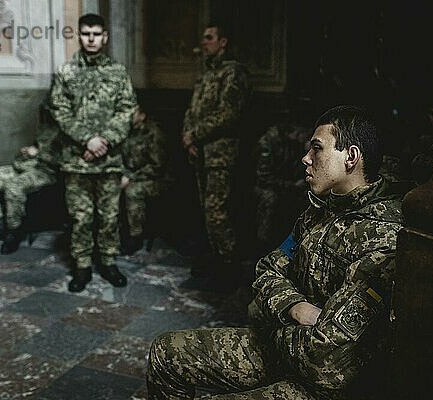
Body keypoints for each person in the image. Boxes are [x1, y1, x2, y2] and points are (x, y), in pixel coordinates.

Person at [147, 105, 406, 399]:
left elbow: (326, 364)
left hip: (323, 386)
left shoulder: (383, 236)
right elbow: (268, 268)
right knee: (164, 354)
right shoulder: (320, 211)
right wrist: (296, 308)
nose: (305, 158)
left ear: (351, 157)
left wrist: (274, 322)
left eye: (317, 149)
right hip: (288, 348)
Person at [49, 13, 137, 293]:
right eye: (86, 33)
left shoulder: (118, 72)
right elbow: (60, 112)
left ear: (105, 37)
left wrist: (104, 142)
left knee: (109, 217)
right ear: (79, 35)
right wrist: (87, 140)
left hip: (109, 160)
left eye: (96, 34)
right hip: (77, 161)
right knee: (81, 217)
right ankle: (83, 265)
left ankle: (109, 262)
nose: (91, 38)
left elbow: (127, 110)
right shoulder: (66, 71)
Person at [181, 23, 250, 286]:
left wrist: (194, 134)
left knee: (217, 211)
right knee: (206, 210)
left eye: (210, 38)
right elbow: (192, 110)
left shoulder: (233, 73)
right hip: (200, 154)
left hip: (221, 156)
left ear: (223, 42)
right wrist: (187, 136)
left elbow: (229, 115)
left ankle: (228, 266)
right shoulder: (206, 75)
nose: (204, 42)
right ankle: (216, 260)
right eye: (203, 38)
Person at [0, 125, 59, 254]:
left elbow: (70, 162)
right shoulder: (49, 123)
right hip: (25, 166)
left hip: (47, 173)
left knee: (14, 187)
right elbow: (39, 145)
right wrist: (28, 151)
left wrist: (40, 153)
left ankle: (14, 231)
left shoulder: (76, 126)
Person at [254, 123, 311, 256]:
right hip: (270, 187)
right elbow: (264, 177)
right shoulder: (268, 142)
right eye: (301, 135)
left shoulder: (298, 144)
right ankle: (263, 248)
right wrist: (291, 185)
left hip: (292, 186)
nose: (304, 138)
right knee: (269, 199)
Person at [120, 108, 166, 255]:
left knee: (133, 191)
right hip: (130, 175)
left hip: (155, 178)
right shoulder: (125, 130)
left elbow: (157, 166)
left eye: (131, 112)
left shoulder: (153, 132)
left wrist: (131, 177)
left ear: (142, 115)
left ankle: (135, 236)